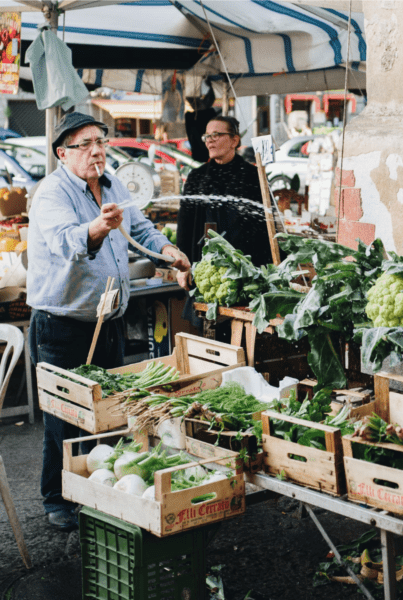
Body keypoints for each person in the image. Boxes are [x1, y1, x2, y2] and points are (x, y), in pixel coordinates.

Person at [26, 112, 190, 531]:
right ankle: (57, 499)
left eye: (101, 140)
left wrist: (168, 252)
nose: (97, 150)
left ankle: (99, 491)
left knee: (110, 411)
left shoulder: (114, 184)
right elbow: (66, 243)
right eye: (86, 144)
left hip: (109, 320)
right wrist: (97, 228)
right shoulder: (51, 193)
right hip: (64, 325)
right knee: (66, 418)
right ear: (63, 152)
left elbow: (142, 229)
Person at [176, 115, 273, 292]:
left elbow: (267, 226)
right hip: (206, 272)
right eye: (207, 136)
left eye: (216, 135)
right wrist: (183, 266)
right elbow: (185, 225)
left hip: (247, 272)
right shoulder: (196, 178)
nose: (209, 142)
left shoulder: (254, 176)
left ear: (234, 140)